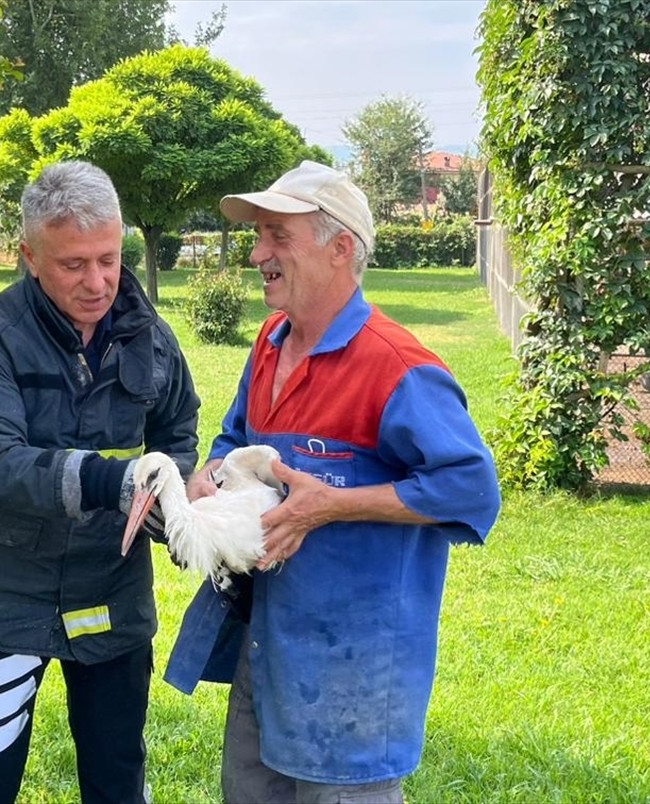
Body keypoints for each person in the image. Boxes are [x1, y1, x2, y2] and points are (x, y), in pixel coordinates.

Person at [164, 161, 501, 804]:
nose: (258, 253)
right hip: (267, 646)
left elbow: (472, 489)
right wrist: (212, 474)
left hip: (355, 670)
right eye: (259, 235)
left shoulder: (397, 367)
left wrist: (330, 506)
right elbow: (236, 435)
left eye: (277, 237)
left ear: (340, 248)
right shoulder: (270, 340)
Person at [0, 160, 200, 804]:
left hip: (112, 594)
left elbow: (178, 430)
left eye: (109, 258)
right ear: (29, 255)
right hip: (4, 601)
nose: (98, 282)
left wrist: (178, 501)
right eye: (72, 264)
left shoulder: (152, 339)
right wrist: (121, 483)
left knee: (116, 779)